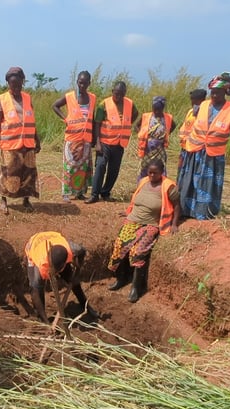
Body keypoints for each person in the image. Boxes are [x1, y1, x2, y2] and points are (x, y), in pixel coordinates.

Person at [107, 159, 180, 303]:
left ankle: (136, 287)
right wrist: (129, 212)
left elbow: (177, 205)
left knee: (138, 251)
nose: (152, 175)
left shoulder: (168, 186)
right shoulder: (144, 181)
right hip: (133, 220)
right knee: (119, 245)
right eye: (150, 172)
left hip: (150, 224)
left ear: (162, 172)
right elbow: (136, 200)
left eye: (155, 173)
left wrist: (174, 224)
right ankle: (121, 279)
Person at [177, 72, 230, 220]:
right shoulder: (201, 106)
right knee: (189, 182)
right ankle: (184, 212)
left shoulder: (229, 110)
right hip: (194, 151)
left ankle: (202, 214)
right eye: (212, 92)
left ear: (225, 93)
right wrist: (184, 146)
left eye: (217, 93)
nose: (214, 96)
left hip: (213, 155)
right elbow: (188, 126)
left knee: (207, 185)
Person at [0, 66, 41, 215]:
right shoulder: (2, 99)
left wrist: (37, 140)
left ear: (22, 82)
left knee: (28, 173)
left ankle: (26, 200)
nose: (15, 87)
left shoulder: (27, 98)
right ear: (8, 83)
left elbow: (31, 121)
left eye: (18, 84)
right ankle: (3, 200)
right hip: (9, 144)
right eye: (12, 84)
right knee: (8, 172)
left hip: (27, 144)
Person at [24, 231, 98, 324]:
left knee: (72, 279)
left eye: (58, 271)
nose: (56, 274)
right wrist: (47, 323)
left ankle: (85, 305)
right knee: (36, 288)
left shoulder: (71, 249)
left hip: (53, 239)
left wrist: (78, 267)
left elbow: (82, 251)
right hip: (33, 246)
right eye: (54, 271)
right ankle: (43, 318)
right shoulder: (40, 265)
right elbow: (35, 291)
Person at [85, 81, 138, 204]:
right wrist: (97, 142)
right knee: (100, 166)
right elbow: (97, 124)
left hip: (120, 143)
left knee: (114, 170)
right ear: (112, 91)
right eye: (116, 93)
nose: (118, 96)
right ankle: (94, 194)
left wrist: (126, 124)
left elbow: (135, 114)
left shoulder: (130, 104)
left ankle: (106, 192)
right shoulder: (103, 104)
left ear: (125, 93)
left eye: (121, 94)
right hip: (105, 142)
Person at [52, 71, 96, 202]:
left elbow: (92, 119)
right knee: (70, 166)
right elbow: (55, 106)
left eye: (85, 83)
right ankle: (66, 193)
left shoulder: (92, 98)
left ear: (89, 83)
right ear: (77, 82)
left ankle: (79, 192)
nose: (82, 85)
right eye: (80, 82)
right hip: (72, 139)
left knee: (83, 167)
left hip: (86, 139)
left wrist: (93, 138)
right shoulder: (70, 96)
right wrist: (65, 118)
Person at [136, 96, 176, 181]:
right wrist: (141, 134)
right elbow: (137, 125)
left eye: (159, 109)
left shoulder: (168, 117)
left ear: (163, 108)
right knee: (144, 167)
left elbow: (173, 126)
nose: (156, 111)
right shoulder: (146, 116)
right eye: (155, 109)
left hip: (160, 147)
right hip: (147, 147)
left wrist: (165, 134)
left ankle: (161, 188)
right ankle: (142, 186)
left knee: (160, 166)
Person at [177, 89, 207, 177]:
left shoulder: (204, 112)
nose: (191, 101)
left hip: (196, 148)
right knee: (182, 171)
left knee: (192, 172)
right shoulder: (190, 111)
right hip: (185, 146)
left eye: (193, 99)